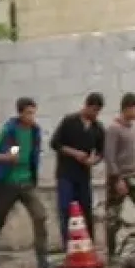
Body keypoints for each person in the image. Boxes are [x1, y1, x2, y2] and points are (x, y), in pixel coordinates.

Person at [0, 97, 50, 268]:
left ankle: (42, 259)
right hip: (7, 182)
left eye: (33, 113)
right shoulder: (10, 131)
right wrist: (6, 157)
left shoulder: (35, 131)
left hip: (26, 181)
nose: (31, 116)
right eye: (28, 113)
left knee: (40, 215)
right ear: (20, 113)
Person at [48, 93, 105, 247]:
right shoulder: (69, 121)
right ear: (86, 106)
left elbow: (101, 152)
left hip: (84, 175)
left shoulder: (97, 128)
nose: (95, 114)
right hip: (66, 173)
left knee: (86, 209)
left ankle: (88, 244)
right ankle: (68, 245)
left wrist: (93, 161)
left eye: (97, 111)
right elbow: (55, 143)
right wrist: (74, 153)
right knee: (66, 209)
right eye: (93, 110)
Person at [103, 92, 135, 261]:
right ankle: (111, 254)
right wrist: (117, 179)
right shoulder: (113, 129)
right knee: (113, 217)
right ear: (127, 108)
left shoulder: (133, 128)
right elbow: (109, 156)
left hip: (134, 177)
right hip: (118, 178)